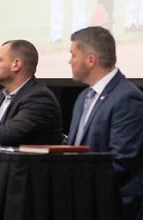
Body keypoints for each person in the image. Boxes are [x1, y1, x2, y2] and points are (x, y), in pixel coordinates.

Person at [66, 26, 143, 220]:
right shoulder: (83, 96)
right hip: (80, 201)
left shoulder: (128, 98)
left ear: (90, 60)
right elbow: (72, 149)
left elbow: (121, 160)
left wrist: (73, 181)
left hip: (113, 206)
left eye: (73, 55)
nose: (70, 61)